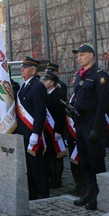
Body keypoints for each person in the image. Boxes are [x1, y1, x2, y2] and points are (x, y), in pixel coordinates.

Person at [71, 44, 109, 210]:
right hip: (81, 122)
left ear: (91, 55)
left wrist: (97, 127)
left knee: (95, 160)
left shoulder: (99, 76)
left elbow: (102, 104)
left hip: (93, 122)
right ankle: (89, 190)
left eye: (82, 54)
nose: (79, 58)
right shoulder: (81, 75)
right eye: (78, 55)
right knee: (84, 160)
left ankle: (100, 195)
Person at [15, 56, 49, 199]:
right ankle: (32, 192)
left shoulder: (37, 86)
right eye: (22, 67)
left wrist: (36, 133)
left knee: (37, 165)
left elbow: (40, 111)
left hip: (33, 132)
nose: (22, 69)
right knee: (28, 165)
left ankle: (42, 193)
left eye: (25, 67)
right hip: (23, 131)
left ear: (33, 71)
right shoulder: (24, 86)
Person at [42, 68, 67, 188]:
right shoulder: (45, 94)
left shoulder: (58, 94)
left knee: (57, 155)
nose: (44, 82)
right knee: (50, 155)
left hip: (55, 129)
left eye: (46, 81)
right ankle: (52, 177)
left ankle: (58, 179)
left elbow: (60, 115)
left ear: (51, 82)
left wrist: (58, 130)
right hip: (46, 129)